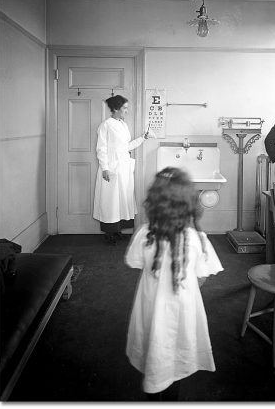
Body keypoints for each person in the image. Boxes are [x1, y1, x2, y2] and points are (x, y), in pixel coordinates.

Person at [124, 167, 223, 401]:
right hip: (184, 308)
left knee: (154, 346)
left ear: (155, 202)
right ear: (189, 203)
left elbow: (135, 262)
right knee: (177, 353)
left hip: (150, 305)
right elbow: (203, 275)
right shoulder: (197, 239)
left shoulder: (145, 235)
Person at [93, 95, 153, 244]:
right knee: (110, 200)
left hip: (124, 167)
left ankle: (117, 230)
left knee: (122, 199)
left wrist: (143, 138)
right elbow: (101, 149)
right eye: (124, 108)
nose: (127, 111)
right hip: (111, 167)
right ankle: (109, 233)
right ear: (115, 109)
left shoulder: (123, 125)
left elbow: (126, 146)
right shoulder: (105, 125)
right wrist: (105, 168)